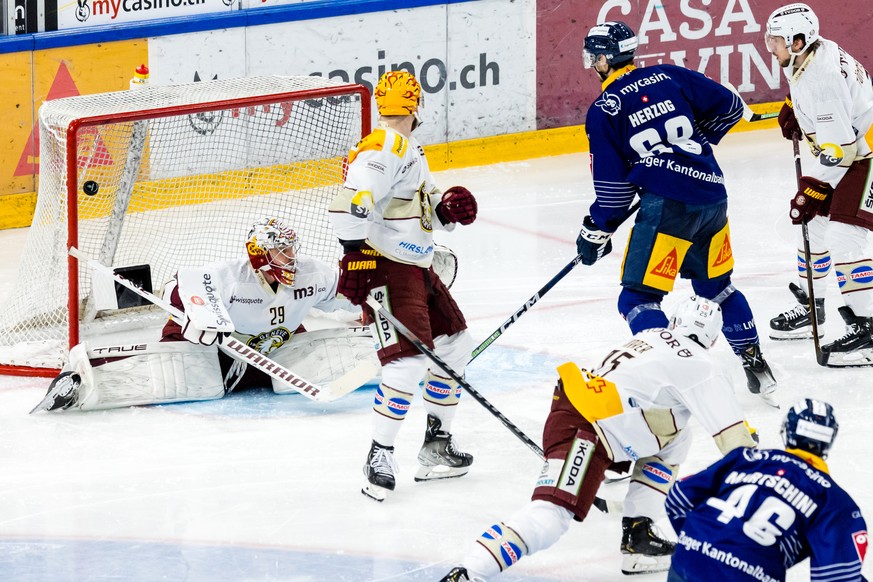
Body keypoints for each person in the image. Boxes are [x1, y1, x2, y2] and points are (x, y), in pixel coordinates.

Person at [439, 296, 758, 580]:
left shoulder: (650, 335)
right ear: (713, 340)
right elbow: (735, 441)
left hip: (577, 410)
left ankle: (639, 532)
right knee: (551, 517)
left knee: (677, 436)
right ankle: (471, 571)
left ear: (674, 322)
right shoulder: (703, 365)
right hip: (588, 430)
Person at [574, 21, 779, 401]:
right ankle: (757, 365)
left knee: (637, 300)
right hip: (712, 194)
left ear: (606, 58)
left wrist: (596, 229)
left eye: (595, 56)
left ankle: (676, 377)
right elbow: (731, 107)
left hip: (668, 209)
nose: (591, 63)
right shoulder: (668, 74)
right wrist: (688, 146)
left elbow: (614, 192)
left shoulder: (605, 109)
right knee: (718, 289)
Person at [31, 217, 378, 413]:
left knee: (290, 373)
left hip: (262, 350)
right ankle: (78, 379)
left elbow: (351, 294)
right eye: (281, 250)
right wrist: (202, 321)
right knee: (191, 378)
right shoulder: (228, 277)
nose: (291, 257)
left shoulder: (311, 274)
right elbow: (173, 289)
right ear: (259, 256)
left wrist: (370, 306)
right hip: (205, 343)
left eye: (291, 249)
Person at [328, 70, 478, 501]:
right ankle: (380, 453)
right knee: (407, 361)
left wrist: (446, 210)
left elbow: (417, 206)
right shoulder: (386, 146)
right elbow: (351, 201)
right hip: (388, 266)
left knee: (454, 344)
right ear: (417, 106)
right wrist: (355, 256)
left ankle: (435, 445)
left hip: (416, 264)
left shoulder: (407, 148)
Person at [764, 3, 873, 366]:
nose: (771, 47)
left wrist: (813, 188)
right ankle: (814, 306)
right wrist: (798, 110)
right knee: (813, 225)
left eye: (776, 41)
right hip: (851, 149)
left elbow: (841, 150)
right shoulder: (812, 53)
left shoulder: (821, 79)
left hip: (862, 159)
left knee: (845, 238)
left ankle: (869, 330)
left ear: (798, 41)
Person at [666, 398, 868, 581]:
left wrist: (699, 541)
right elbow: (837, 576)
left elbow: (678, 497)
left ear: (787, 432)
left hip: (688, 560)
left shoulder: (745, 459)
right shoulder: (833, 500)